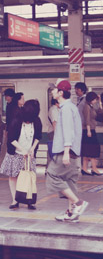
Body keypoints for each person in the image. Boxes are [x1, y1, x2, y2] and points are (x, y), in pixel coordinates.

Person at [47, 80, 88, 222]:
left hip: (66, 152)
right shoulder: (71, 107)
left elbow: (68, 131)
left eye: (54, 90)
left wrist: (65, 152)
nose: (52, 92)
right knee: (69, 182)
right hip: (74, 152)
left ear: (60, 93)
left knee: (52, 176)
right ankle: (72, 213)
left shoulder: (65, 109)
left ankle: (78, 203)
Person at [0, 99, 41, 210]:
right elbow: (11, 139)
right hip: (16, 153)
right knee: (13, 176)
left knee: (29, 177)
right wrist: (22, 150)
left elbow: (38, 137)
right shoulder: (17, 120)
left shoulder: (36, 121)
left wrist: (32, 149)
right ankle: (15, 200)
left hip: (29, 154)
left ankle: (29, 200)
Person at [81, 91, 101, 175]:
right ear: (91, 99)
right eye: (95, 99)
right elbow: (87, 119)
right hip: (88, 130)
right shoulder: (87, 107)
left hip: (91, 130)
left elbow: (100, 112)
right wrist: (89, 131)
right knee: (93, 150)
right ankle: (94, 168)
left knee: (87, 150)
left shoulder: (91, 106)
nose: (95, 101)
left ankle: (84, 169)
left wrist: (100, 101)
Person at [0, 89, 17, 170]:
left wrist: (7, 130)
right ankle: (3, 163)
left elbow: (9, 119)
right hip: (11, 129)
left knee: (5, 146)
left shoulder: (10, 106)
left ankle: (1, 164)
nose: (5, 98)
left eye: (6, 96)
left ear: (10, 96)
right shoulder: (13, 105)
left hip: (10, 129)